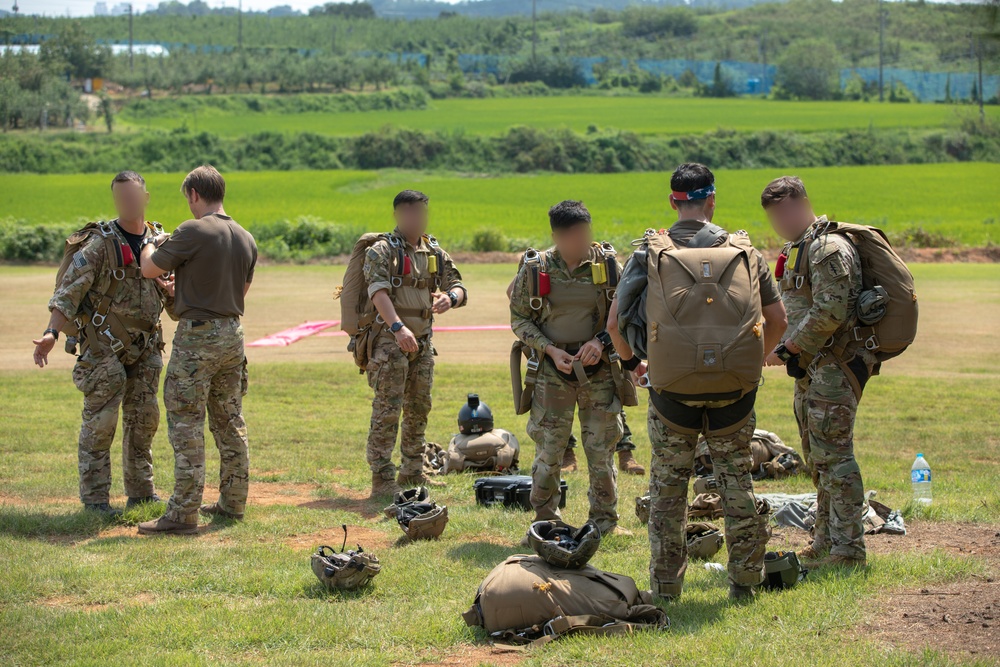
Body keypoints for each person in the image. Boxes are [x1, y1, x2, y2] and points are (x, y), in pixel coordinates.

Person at [609, 163, 787, 601]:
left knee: (668, 491)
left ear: (673, 201)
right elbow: (779, 320)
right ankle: (746, 583)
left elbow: (614, 325)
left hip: (672, 393)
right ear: (713, 200)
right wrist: (754, 361)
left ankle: (667, 587)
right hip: (735, 393)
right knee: (736, 484)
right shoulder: (746, 251)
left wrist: (635, 366)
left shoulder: (649, 252)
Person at [33, 170, 172, 518]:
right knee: (100, 425)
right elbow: (67, 294)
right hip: (103, 348)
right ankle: (95, 501)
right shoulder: (100, 245)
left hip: (147, 347)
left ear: (146, 197)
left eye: (133, 196)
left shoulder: (160, 242)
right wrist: (51, 333)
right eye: (121, 197)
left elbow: (174, 296)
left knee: (144, 421)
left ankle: (141, 494)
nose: (128, 203)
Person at [761, 176, 874, 569]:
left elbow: (830, 310)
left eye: (786, 211)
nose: (782, 221)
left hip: (833, 366)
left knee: (836, 456)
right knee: (817, 456)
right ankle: (826, 539)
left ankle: (849, 549)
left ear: (804, 203)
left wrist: (789, 347)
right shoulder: (800, 247)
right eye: (775, 216)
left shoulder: (827, 247)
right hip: (811, 367)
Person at [137, 165, 257, 535]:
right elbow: (238, 292)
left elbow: (148, 268)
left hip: (197, 338)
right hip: (232, 335)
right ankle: (233, 502)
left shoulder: (193, 230)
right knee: (229, 420)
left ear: (193, 194)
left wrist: (147, 242)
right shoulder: (245, 237)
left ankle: (183, 512)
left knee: (186, 422)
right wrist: (188, 293)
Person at [510, 200, 629, 542]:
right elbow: (519, 318)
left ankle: (605, 520)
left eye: (584, 234)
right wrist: (549, 349)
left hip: (599, 370)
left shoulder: (607, 265)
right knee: (550, 448)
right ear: (556, 236)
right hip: (552, 371)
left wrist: (601, 342)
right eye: (570, 236)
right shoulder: (537, 268)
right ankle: (546, 519)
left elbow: (625, 314)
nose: (579, 242)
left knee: (601, 448)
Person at [362, 190, 467, 497]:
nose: (416, 219)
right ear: (397, 215)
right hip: (389, 342)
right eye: (409, 213)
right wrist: (398, 328)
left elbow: (458, 285)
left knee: (419, 407)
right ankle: (382, 478)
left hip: (423, 342)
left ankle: (412, 471)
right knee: (387, 409)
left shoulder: (433, 251)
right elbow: (377, 292)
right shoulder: (382, 250)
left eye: (420, 213)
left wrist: (450, 298)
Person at [506, 276, 643, 476]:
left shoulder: (603, 261)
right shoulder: (541, 264)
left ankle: (625, 451)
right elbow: (513, 293)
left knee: (610, 408)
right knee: (557, 413)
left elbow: (621, 309)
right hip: (556, 357)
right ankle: (568, 453)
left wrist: (601, 339)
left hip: (600, 353)